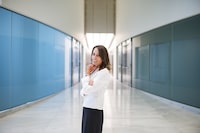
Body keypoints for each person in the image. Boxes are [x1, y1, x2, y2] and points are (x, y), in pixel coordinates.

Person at [80, 45, 112, 133]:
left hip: (94, 111)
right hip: (87, 108)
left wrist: (88, 75)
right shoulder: (95, 71)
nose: (94, 57)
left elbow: (87, 90)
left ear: (103, 57)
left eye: (98, 55)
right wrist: (89, 75)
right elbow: (85, 89)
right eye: (93, 54)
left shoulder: (104, 73)